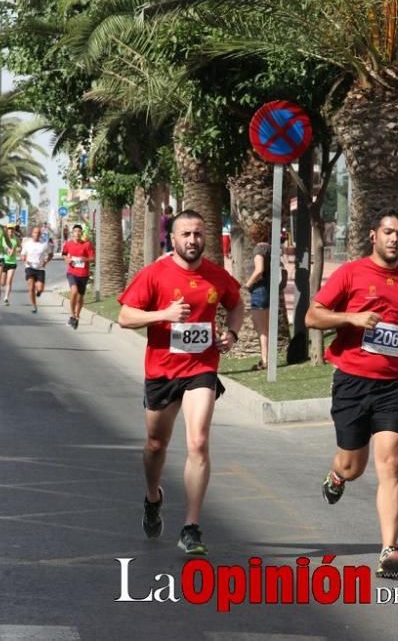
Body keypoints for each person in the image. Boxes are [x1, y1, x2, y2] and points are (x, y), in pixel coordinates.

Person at [305, 207, 398, 578]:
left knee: (391, 463)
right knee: (353, 466)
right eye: (388, 232)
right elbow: (312, 315)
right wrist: (350, 318)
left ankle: (389, 550)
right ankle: (336, 476)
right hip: (352, 381)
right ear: (374, 235)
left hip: (395, 384)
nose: (394, 239)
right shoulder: (350, 273)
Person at [117, 209, 243, 556]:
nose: (192, 240)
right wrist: (164, 315)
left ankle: (191, 527)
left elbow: (236, 304)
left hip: (201, 367)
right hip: (161, 371)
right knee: (156, 444)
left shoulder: (217, 276)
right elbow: (125, 316)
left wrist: (232, 332)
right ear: (172, 239)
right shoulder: (154, 274)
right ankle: (153, 496)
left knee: (198, 441)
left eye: (198, 234)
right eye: (185, 234)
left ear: (207, 238)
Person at [241, 222, 273, 370]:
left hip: (259, 290)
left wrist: (248, 284)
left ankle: (265, 360)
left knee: (261, 329)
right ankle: (268, 359)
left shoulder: (259, 250)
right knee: (267, 327)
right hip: (269, 289)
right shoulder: (270, 249)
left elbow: (259, 270)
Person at [62, 224, 94, 329]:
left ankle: (77, 316)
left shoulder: (87, 245)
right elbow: (64, 254)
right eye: (75, 231)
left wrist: (86, 259)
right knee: (74, 291)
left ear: (81, 233)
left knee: (80, 298)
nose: (77, 233)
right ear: (72, 233)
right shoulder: (68, 244)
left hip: (83, 274)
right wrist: (67, 259)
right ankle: (72, 314)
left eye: (79, 231)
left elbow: (92, 257)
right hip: (72, 272)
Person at [21, 225, 53, 314]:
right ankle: (34, 306)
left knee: (40, 289)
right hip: (30, 267)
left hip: (40, 268)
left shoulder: (44, 244)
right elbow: (23, 255)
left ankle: (39, 291)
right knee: (31, 287)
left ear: (41, 234)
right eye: (35, 232)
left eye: (39, 233)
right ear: (32, 234)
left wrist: (46, 261)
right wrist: (24, 259)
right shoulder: (27, 244)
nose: (37, 234)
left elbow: (50, 254)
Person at [0, 224, 20, 306]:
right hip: (4, 261)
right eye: (9, 231)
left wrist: (18, 249)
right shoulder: (3, 239)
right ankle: (2, 291)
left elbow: (20, 247)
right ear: (7, 231)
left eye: (12, 231)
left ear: (13, 231)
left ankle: (6, 298)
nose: (10, 232)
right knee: (2, 282)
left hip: (12, 263)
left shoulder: (16, 239)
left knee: (9, 281)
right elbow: (4, 249)